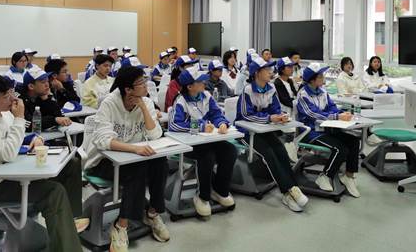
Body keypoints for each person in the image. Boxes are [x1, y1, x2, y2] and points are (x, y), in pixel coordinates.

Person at [0, 74, 85, 252]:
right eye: (6, 96)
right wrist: (19, 118)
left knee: (70, 164)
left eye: (11, 92)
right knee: (53, 192)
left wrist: (35, 138)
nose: (13, 98)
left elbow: (18, 136)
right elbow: (8, 152)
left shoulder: (3, 113)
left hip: (12, 171)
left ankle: (71, 222)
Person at [84, 66, 170, 249]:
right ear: (128, 89)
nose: (145, 85)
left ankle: (152, 213)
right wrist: (134, 149)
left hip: (133, 159)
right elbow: (103, 141)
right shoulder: (109, 103)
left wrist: (143, 108)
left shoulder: (146, 102)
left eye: (145, 80)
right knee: (137, 171)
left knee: (161, 163)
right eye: (140, 83)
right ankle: (121, 225)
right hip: (104, 162)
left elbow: (155, 135)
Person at [235, 56, 309, 212]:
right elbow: (245, 115)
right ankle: (287, 192)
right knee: (269, 154)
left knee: (281, 151)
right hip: (247, 132)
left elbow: (275, 109)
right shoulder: (247, 90)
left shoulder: (271, 89)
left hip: (265, 130)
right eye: (267, 69)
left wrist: (280, 116)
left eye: (270, 69)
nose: (271, 72)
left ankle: (293, 187)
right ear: (257, 73)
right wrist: (269, 118)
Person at [169, 67, 237, 217]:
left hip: (208, 140)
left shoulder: (206, 95)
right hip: (190, 144)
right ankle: (203, 196)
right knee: (207, 156)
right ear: (189, 86)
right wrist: (200, 126)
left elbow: (216, 113)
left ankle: (220, 190)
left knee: (230, 150)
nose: (204, 83)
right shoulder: (180, 101)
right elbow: (174, 125)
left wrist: (222, 123)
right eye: (200, 81)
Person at [297, 63, 361, 197]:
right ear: (312, 80)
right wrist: (337, 116)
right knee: (340, 149)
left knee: (354, 141)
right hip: (310, 133)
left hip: (327, 129)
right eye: (320, 76)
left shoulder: (323, 92)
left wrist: (342, 113)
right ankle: (325, 176)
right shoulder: (303, 95)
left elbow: (331, 107)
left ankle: (348, 176)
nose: (323, 78)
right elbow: (313, 114)